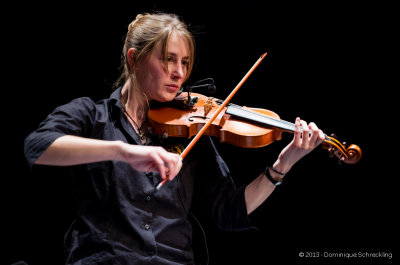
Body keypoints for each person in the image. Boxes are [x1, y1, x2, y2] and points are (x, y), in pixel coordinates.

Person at [24, 12, 325, 265]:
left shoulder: (190, 129)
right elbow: (37, 147)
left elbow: (229, 212)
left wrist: (283, 165)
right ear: (134, 59)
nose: (179, 73)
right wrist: (123, 151)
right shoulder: (92, 116)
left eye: (185, 62)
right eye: (169, 60)